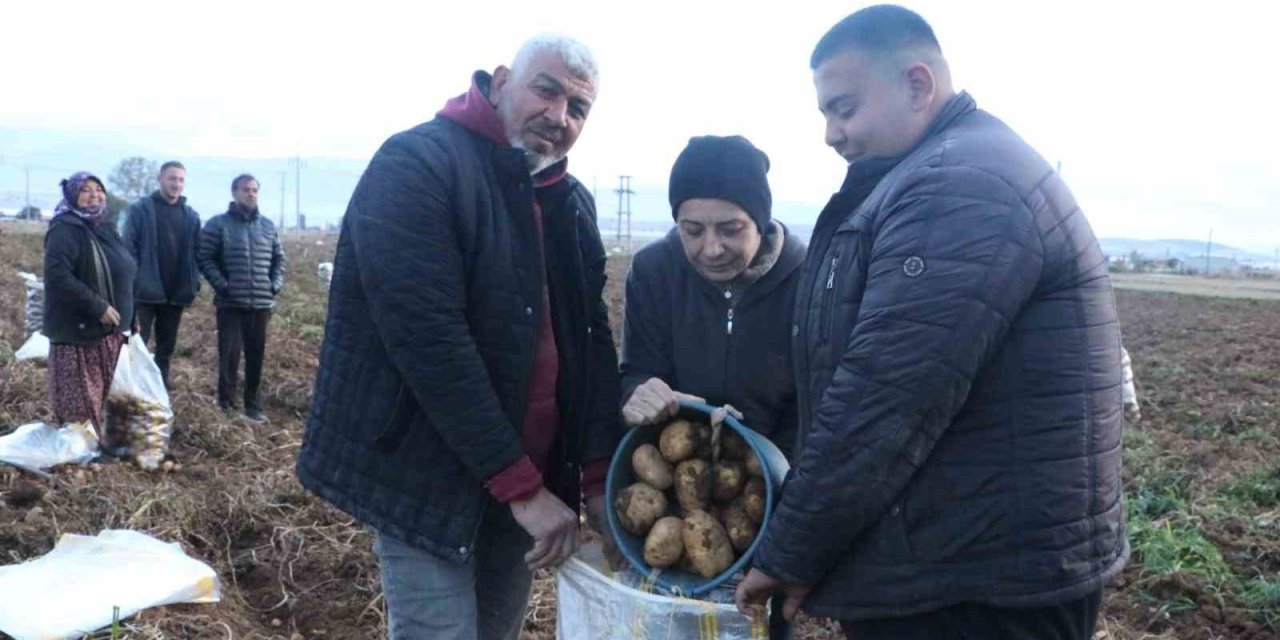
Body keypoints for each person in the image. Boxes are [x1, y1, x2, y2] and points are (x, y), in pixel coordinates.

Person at [735, 6, 1128, 640]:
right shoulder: (940, 172)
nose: (831, 134)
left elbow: (886, 395)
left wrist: (794, 550)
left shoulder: (960, 185)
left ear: (918, 85)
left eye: (844, 108)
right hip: (954, 564)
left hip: (975, 587)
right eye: (825, 114)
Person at [295, 35, 621, 640]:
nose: (559, 116)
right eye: (545, 90)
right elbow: (428, 338)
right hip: (428, 471)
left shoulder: (569, 203)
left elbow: (590, 340)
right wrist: (521, 488)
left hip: (529, 476)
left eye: (578, 108)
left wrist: (597, 473)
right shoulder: (417, 164)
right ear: (500, 83)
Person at [620, 134, 805, 639]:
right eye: (692, 230)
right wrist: (638, 392)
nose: (711, 248)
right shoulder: (656, 272)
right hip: (677, 496)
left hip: (770, 505)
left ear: (761, 221)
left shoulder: (808, 279)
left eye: (731, 229)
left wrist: (784, 517)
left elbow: (821, 408)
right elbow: (635, 372)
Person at [42, 171, 137, 445]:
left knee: (101, 395)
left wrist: (134, 314)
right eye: (85, 190)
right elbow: (58, 276)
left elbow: (126, 270)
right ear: (72, 195)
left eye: (98, 189)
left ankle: (94, 447)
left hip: (109, 330)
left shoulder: (104, 225)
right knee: (80, 400)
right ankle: (75, 456)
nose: (94, 194)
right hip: (77, 331)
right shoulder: (65, 228)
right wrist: (98, 306)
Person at [196, 174, 285, 424]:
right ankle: (228, 406)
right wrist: (223, 286)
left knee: (256, 356)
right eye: (246, 189)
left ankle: (253, 406)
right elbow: (204, 257)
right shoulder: (218, 225)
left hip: (261, 303)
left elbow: (279, 259)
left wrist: (274, 285)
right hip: (231, 304)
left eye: (255, 190)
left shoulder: (267, 226)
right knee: (230, 357)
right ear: (234, 192)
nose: (251, 194)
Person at [122, 160, 202, 390]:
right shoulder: (140, 210)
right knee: (137, 347)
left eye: (180, 179)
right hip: (145, 293)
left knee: (166, 350)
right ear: (160, 179)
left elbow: (198, 253)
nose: (176, 184)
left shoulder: (191, 216)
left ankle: (159, 392)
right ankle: (131, 392)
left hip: (175, 294)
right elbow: (128, 247)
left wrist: (193, 282)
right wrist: (135, 280)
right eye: (172, 178)